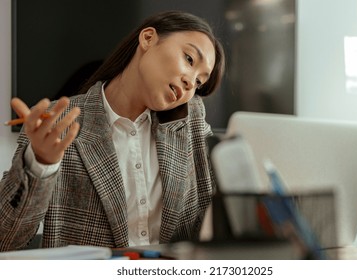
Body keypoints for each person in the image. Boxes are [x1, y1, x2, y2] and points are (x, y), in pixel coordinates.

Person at [0, 10, 225, 251]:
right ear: (148, 38)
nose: (191, 82)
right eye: (189, 59)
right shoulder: (57, 121)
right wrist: (41, 163)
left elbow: (215, 223)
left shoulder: (190, 124)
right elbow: (6, 239)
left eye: (199, 82)